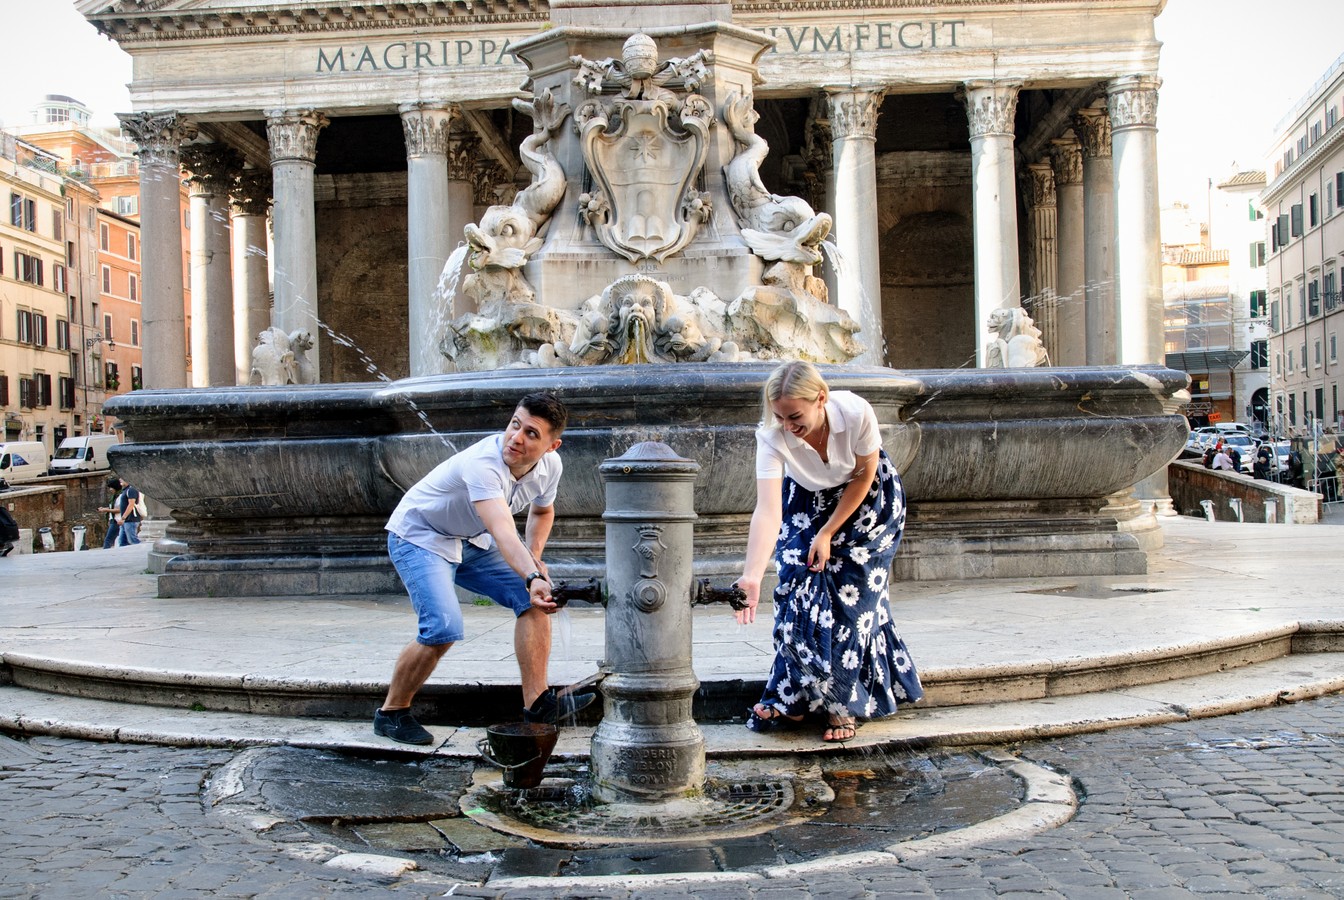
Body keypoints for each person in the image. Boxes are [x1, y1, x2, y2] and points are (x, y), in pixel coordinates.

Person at [375, 392, 596, 745]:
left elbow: (542, 511)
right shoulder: (484, 463)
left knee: (534, 600)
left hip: (471, 539)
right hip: (421, 536)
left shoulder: (551, 466)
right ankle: (391, 713)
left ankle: (537, 705)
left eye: (531, 433)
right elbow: (503, 531)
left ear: (552, 445)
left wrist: (535, 558)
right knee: (443, 628)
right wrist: (532, 575)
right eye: (514, 425)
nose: (516, 438)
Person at [735, 361, 923, 743]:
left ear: (821, 398)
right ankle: (792, 697)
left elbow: (865, 474)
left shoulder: (855, 412)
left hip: (869, 504)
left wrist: (828, 532)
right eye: (779, 416)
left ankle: (840, 703)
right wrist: (752, 574)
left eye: (795, 416)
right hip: (807, 501)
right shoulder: (770, 435)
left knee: (851, 600)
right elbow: (768, 511)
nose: (787, 425)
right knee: (796, 589)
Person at [114, 481, 143, 545]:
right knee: (122, 541)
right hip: (126, 521)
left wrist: (123, 518)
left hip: (131, 519)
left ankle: (143, 548)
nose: (120, 480)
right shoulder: (125, 490)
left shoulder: (131, 489)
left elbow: (131, 504)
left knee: (133, 540)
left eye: (122, 478)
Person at [99, 476, 123, 548]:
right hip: (113, 519)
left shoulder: (120, 496)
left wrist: (106, 510)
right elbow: (112, 507)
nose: (110, 490)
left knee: (108, 540)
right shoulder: (114, 497)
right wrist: (105, 509)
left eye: (111, 488)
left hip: (117, 520)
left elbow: (119, 509)